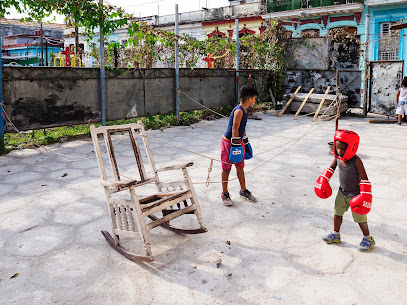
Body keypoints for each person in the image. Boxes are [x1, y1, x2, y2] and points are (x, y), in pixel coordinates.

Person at [314, 129, 375, 252]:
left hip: (356, 195)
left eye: (342, 149)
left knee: (360, 219)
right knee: (337, 213)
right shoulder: (338, 158)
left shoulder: (356, 161)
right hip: (342, 192)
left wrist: (365, 195)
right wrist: (323, 179)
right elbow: (331, 168)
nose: (339, 151)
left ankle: (368, 238)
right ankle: (336, 234)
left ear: (351, 147)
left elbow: (365, 178)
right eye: (337, 148)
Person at [220, 85, 258, 206]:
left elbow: (242, 128)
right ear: (249, 99)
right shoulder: (238, 111)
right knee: (227, 168)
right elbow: (235, 129)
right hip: (229, 143)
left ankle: (243, 190)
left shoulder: (245, 110)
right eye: (254, 98)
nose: (255, 101)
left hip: (238, 142)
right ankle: (224, 193)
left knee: (240, 167)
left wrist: (245, 142)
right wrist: (236, 147)